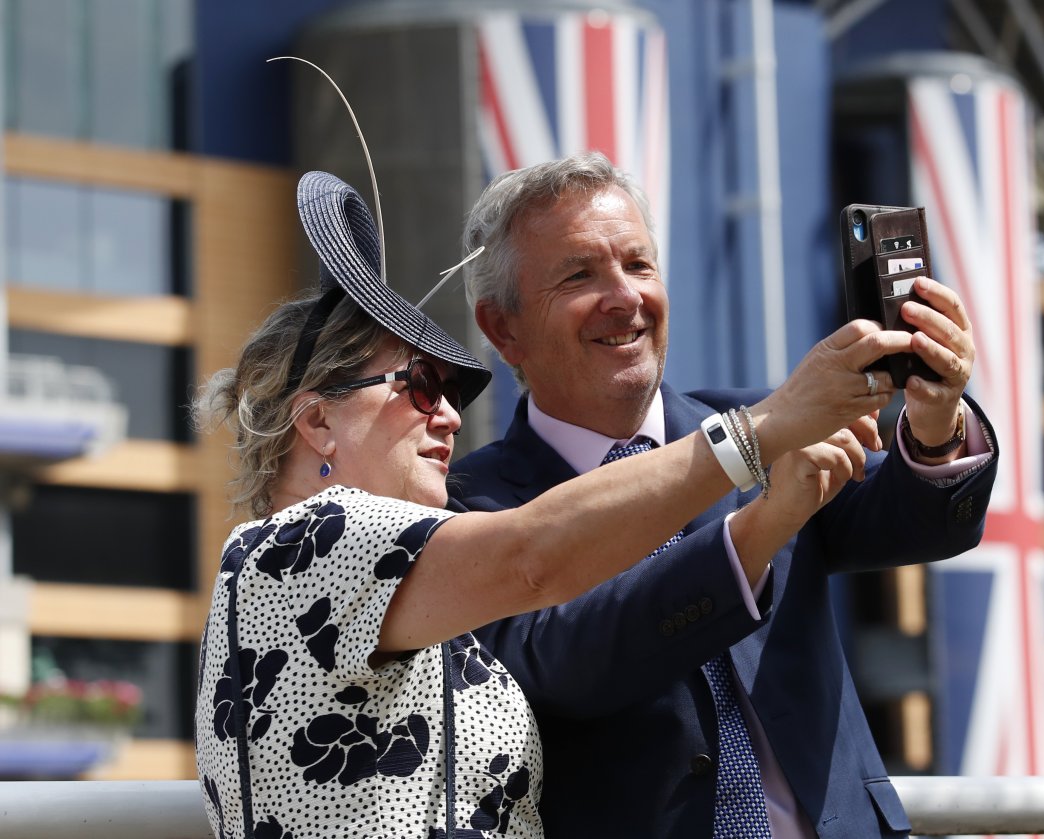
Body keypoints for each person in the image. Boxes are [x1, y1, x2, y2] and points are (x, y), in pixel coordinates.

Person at [192, 170, 914, 839]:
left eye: (449, 392)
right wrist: (761, 431)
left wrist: (931, 419)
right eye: (415, 386)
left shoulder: (371, 563)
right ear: (317, 421)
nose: (447, 415)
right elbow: (536, 561)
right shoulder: (308, 542)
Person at [450, 151, 999, 839]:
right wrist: (760, 527)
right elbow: (565, 665)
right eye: (579, 275)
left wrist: (936, 417)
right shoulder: (472, 510)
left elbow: (919, 523)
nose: (625, 297)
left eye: (639, 264)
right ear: (503, 328)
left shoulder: (770, 421)